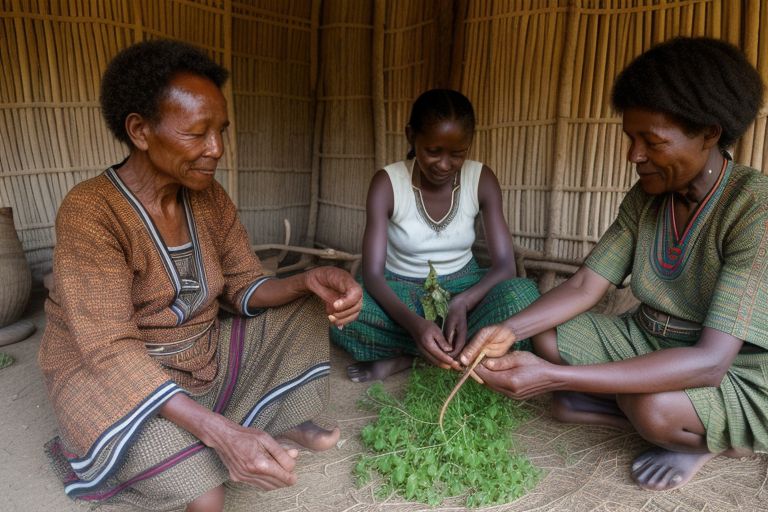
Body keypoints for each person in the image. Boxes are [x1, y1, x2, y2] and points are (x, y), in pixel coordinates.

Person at [37, 39, 362, 512]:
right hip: (115, 379)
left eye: (221, 130)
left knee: (303, 308)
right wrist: (219, 432)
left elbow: (242, 283)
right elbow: (108, 349)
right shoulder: (91, 212)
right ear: (140, 130)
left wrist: (306, 281)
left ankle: (260, 418)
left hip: (198, 356)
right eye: (197, 133)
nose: (217, 149)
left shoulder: (207, 195)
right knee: (206, 495)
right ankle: (223, 427)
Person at [460, 37, 767, 492]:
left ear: (709, 133)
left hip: (732, 371)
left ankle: (702, 439)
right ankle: (625, 399)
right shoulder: (646, 197)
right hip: (646, 338)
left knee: (654, 410)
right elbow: (586, 284)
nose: (634, 155)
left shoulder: (753, 208)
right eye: (631, 138)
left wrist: (556, 378)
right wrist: (510, 333)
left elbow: (709, 363)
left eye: (652, 141)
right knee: (543, 329)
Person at [332, 89, 539, 382]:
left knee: (524, 297)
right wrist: (416, 325)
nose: (444, 164)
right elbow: (373, 275)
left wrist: (463, 302)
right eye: (433, 151)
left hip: (466, 289)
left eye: (457, 154)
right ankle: (446, 349)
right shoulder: (387, 183)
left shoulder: (482, 180)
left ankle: (412, 353)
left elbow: (505, 266)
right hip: (403, 292)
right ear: (410, 136)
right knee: (343, 309)